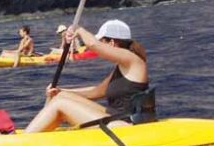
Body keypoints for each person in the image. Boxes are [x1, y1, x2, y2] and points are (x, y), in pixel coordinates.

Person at [24, 19, 152, 132]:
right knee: (61, 97)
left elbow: (93, 44)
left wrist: (78, 29)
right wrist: (60, 91)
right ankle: (37, 133)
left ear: (112, 43)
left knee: (60, 104)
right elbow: (96, 92)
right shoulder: (122, 66)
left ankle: (24, 140)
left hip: (124, 125)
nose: (99, 45)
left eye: (102, 41)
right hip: (115, 117)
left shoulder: (132, 59)